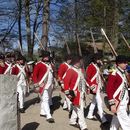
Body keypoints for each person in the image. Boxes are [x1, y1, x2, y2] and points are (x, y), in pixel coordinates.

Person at [63, 55, 88, 130]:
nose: (81, 62)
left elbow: (83, 81)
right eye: (79, 61)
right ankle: (83, 126)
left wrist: (87, 89)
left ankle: (72, 121)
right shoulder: (71, 70)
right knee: (80, 109)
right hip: (75, 93)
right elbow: (66, 82)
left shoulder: (80, 70)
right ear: (76, 62)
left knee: (76, 107)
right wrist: (68, 94)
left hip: (81, 92)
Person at [106, 55, 130, 130]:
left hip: (123, 101)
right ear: (118, 63)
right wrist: (112, 104)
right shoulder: (114, 73)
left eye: (126, 62)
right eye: (124, 62)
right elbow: (109, 89)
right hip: (118, 102)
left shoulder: (123, 72)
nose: (126, 64)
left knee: (115, 123)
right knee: (127, 124)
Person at [33, 50, 55, 123]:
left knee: (47, 99)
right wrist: (36, 85)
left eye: (47, 56)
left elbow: (53, 73)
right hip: (43, 85)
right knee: (45, 99)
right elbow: (34, 75)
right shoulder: (38, 64)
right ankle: (49, 116)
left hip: (50, 85)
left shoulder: (51, 65)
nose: (46, 58)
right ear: (42, 57)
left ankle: (42, 112)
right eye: (44, 57)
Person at [86, 53, 108, 125]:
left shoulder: (96, 66)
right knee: (99, 102)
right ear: (95, 59)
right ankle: (103, 119)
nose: (99, 60)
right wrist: (91, 87)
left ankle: (89, 114)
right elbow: (87, 78)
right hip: (94, 86)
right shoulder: (90, 66)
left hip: (98, 86)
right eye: (98, 59)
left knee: (94, 102)